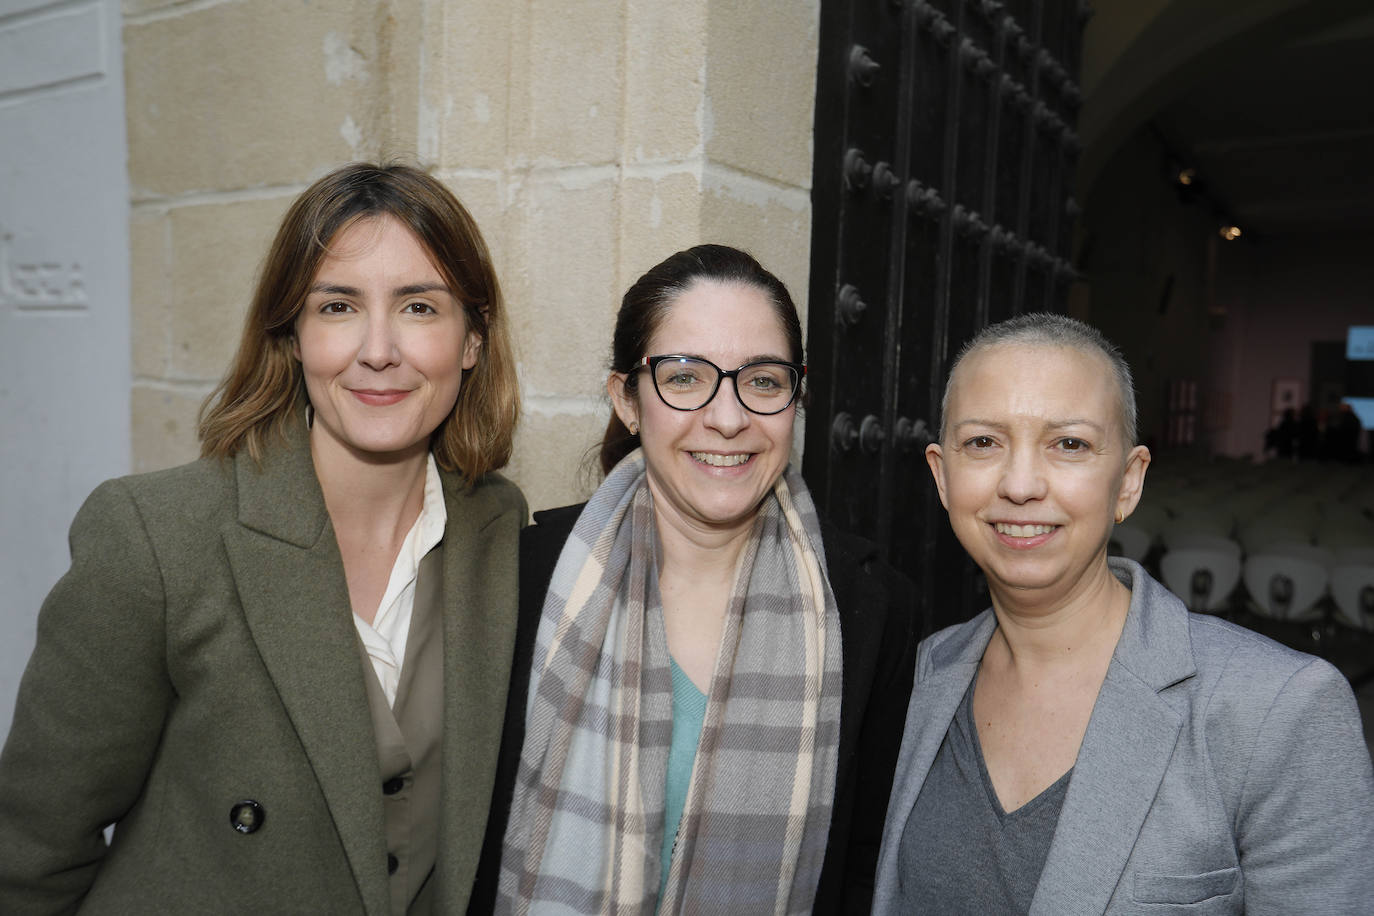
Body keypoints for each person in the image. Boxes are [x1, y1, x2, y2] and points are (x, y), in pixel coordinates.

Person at [0, 162, 526, 914]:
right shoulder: (156, 537)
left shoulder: (498, 530)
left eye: (418, 306)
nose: (379, 349)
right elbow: (30, 853)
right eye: (338, 306)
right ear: (293, 336)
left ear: (471, 339)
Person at [873, 313, 1374, 914]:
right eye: (983, 442)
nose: (1021, 484)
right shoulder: (923, 673)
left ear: (1129, 482)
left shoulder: (1279, 709)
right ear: (942, 476)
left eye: (1069, 444)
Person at [476, 245, 916, 915]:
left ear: (796, 397)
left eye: (762, 380)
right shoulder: (520, 578)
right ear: (627, 400)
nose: (729, 418)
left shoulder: (873, 611)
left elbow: (868, 870)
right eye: (684, 378)